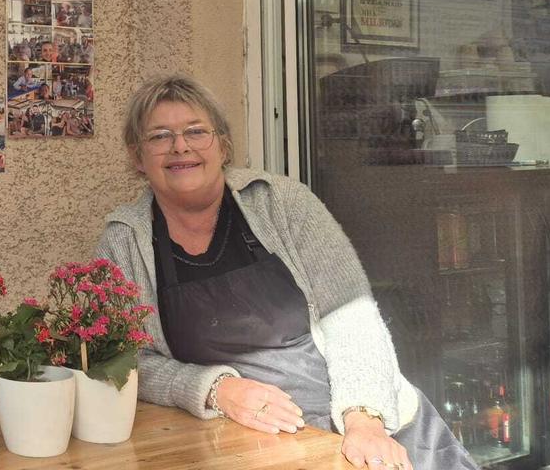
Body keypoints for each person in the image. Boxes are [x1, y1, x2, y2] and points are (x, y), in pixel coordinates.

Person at [96, 74, 478, 470]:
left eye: (196, 131)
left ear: (223, 145)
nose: (180, 146)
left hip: (369, 429)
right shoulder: (125, 241)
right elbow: (124, 361)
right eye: (159, 136)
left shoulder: (283, 203)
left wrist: (364, 418)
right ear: (137, 156)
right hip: (254, 446)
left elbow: (353, 316)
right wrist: (214, 389)